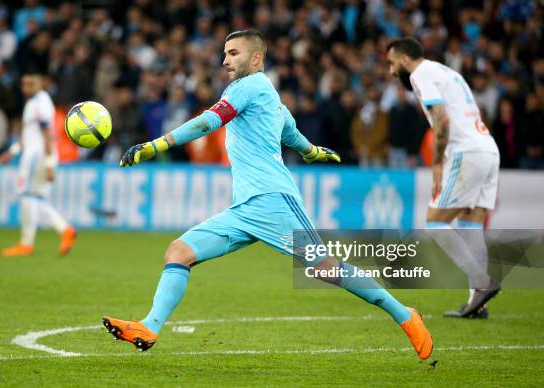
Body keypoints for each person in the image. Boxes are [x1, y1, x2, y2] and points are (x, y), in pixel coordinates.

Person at [103, 30, 433, 360]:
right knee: (179, 252)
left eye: (233, 53)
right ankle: (149, 326)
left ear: (256, 58)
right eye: (225, 53)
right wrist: (314, 152)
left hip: (274, 200)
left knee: (325, 268)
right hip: (244, 208)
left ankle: (404, 314)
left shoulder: (251, 87)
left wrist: (154, 145)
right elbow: (293, 135)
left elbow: (207, 123)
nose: (225, 60)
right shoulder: (267, 97)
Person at [387, 38, 500, 318]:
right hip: (488, 148)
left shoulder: (419, 74)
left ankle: (482, 283)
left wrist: (438, 164)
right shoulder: (446, 72)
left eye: (391, 63)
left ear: (404, 59)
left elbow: (442, 119)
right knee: (471, 224)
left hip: (467, 152)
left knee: (435, 223)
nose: (390, 71)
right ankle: (478, 304)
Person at [0, 70, 76, 257]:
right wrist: (12, 152)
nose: (26, 88)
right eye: (24, 84)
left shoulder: (40, 103)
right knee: (36, 199)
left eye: (30, 83)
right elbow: (29, 136)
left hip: (37, 157)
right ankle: (65, 229)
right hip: (37, 154)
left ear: (40, 84)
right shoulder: (36, 102)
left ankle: (26, 244)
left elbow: (48, 134)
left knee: (26, 196)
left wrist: (49, 163)